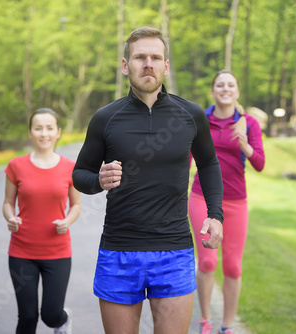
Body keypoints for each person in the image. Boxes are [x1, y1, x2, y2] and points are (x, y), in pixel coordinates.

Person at [72, 26, 224, 334]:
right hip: (118, 252)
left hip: (174, 251)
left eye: (156, 57)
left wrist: (215, 215)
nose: (148, 64)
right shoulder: (106, 118)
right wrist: (98, 180)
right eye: (140, 57)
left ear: (166, 66)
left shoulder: (191, 115)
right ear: (126, 65)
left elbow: (208, 163)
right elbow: (79, 175)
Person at [189, 70, 265, 334]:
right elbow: (186, 158)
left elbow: (260, 164)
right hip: (202, 196)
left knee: (232, 266)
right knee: (208, 262)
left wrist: (245, 146)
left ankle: (227, 325)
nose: (225, 89)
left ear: (237, 92)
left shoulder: (249, 124)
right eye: (220, 85)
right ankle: (206, 320)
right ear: (213, 91)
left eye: (230, 85)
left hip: (236, 201)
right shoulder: (201, 120)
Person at [2, 108, 82, 334]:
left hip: (57, 252)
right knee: (27, 316)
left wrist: (67, 221)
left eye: (49, 128)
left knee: (50, 314)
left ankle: (63, 320)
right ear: (30, 132)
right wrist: (10, 217)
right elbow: (8, 202)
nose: (44, 133)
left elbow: (76, 204)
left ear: (58, 132)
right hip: (21, 251)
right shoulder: (16, 166)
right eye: (38, 128)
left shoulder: (69, 167)